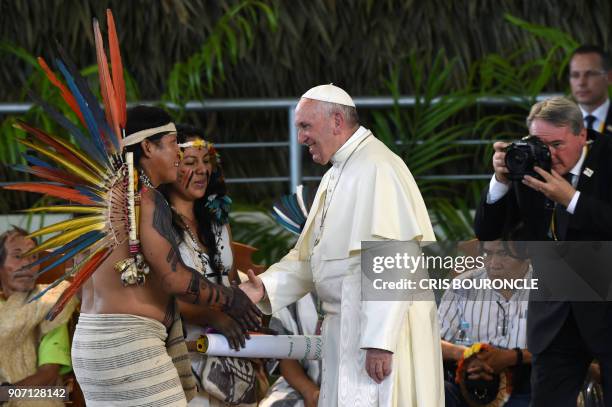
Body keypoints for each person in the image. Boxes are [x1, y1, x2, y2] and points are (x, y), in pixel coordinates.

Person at [240, 84, 444, 406]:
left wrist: (380, 341)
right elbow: (309, 259)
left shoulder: (378, 166)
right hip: (344, 331)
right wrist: (262, 288)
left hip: (376, 335)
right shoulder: (335, 174)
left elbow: (392, 256)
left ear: (337, 121)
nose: (300, 138)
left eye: (305, 126)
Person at [72, 106, 262, 406]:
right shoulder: (147, 199)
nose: (177, 152)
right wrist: (231, 298)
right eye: (174, 143)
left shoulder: (101, 198)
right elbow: (174, 278)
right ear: (148, 146)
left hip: (89, 343)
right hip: (129, 344)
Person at [474, 96, 612, 406]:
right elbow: (486, 231)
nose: (549, 153)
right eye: (540, 143)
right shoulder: (530, 162)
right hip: (554, 317)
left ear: (582, 135)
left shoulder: (608, 155)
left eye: (559, 144)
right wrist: (500, 180)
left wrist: (573, 200)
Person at [162, 124, 261, 406]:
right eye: (191, 162)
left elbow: (230, 285)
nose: (203, 169)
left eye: (206, 162)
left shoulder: (217, 221)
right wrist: (213, 317)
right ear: (170, 167)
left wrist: (247, 324)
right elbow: (161, 296)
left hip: (230, 347)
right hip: (183, 350)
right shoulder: (158, 224)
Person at [439, 239, 532, 407]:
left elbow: (563, 348)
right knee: (439, 392)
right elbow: (433, 342)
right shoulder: (463, 285)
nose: (493, 263)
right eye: (487, 254)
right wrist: (466, 355)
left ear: (526, 255)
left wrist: (510, 357)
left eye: (503, 254)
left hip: (526, 383)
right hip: (467, 382)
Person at [0, 227, 77, 407]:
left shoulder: (50, 307)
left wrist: (5, 393)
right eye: (18, 256)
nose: (27, 264)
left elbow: (50, 378)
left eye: (34, 257)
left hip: (38, 394)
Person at [259, 292, 321, 407]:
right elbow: (283, 355)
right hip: (305, 383)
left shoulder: (362, 290)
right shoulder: (292, 287)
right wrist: (309, 391)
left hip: (356, 386)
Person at [569, 45, 612, 136]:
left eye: (590, 74)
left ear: (609, 77)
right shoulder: (558, 124)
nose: (581, 82)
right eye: (575, 75)